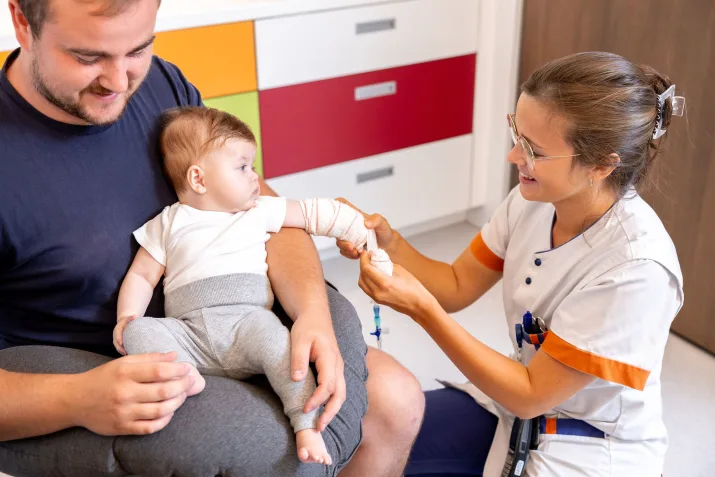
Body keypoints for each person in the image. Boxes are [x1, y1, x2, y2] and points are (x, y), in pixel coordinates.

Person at [0, 0, 425, 476]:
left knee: (397, 399)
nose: (119, 82)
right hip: (112, 358)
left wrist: (311, 314)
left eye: (138, 49)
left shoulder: (163, 85)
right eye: (87, 57)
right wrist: (78, 398)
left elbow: (259, 205)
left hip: (237, 318)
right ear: (21, 20)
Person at [338, 51, 685, 476]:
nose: (514, 158)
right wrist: (389, 243)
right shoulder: (534, 200)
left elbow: (532, 392)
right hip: (511, 407)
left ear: (601, 165)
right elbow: (455, 284)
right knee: (371, 439)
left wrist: (421, 311)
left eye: (534, 150)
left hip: (590, 444)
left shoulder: (637, 269)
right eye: (516, 134)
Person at [115, 106, 383, 465]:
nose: (255, 177)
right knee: (140, 333)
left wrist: (359, 229)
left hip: (248, 324)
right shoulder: (167, 222)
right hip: (188, 334)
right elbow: (141, 276)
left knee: (284, 349)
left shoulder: (259, 210)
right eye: (242, 167)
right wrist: (127, 316)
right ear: (198, 179)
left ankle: (305, 423)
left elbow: (315, 214)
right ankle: (183, 378)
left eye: (252, 166)